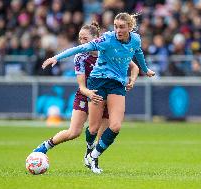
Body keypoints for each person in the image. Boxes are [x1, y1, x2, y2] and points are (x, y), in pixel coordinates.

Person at [42, 12, 155, 174]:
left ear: (130, 27)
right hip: (98, 81)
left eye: (122, 27)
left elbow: (137, 52)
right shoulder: (107, 39)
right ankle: (89, 149)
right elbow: (82, 48)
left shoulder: (136, 39)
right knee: (93, 128)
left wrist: (146, 69)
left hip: (117, 84)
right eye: (116, 26)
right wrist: (57, 57)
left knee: (115, 126)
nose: (118, 30)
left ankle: (93, 156)